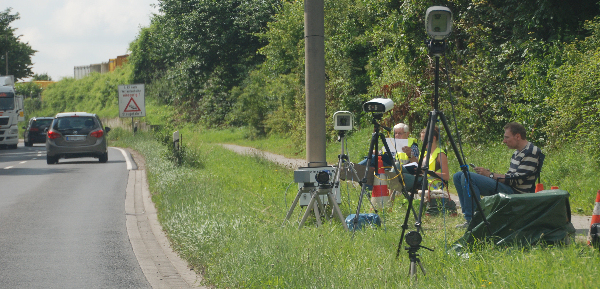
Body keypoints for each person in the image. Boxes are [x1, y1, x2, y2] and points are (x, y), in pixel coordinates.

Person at [453, 122, 543, 228]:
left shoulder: (531, 152)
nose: (504, 141)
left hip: (516, 194)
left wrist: (490, 175)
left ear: (517, 136)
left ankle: (474, 220)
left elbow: (517, 180)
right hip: (509, 187)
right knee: (458, 175)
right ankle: (468, 215)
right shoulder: (517, 152)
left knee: (467, 176)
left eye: (506, 137)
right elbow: (511, 176)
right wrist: (489, 175)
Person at [401, 126, 449, 191]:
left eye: (425, 140)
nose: (423, 143)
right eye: (422, 141)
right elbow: (417, 165)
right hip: (422, 180)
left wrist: (428, 172)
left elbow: (446, 176)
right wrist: (410, 155)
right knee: (398, 169)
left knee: (402, 177)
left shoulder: (440, 154)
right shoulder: (424, 153)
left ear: (433, 138)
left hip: (432, 184)